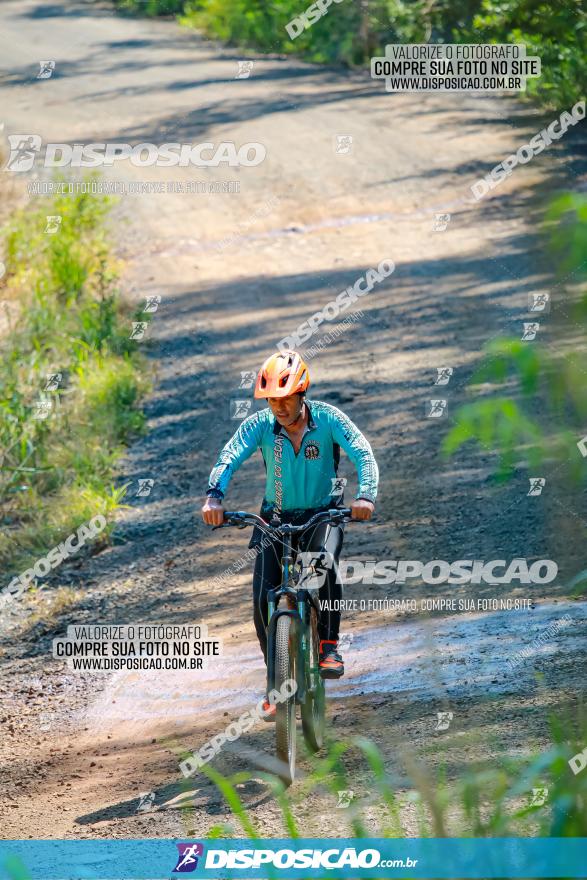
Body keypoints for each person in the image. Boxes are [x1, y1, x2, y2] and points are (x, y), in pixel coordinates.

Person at [201, 351, 378, 718]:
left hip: (324, 513)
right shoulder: (259, 426)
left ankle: (328, 647)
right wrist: (214, 496)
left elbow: (363, 452)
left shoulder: (329, 419)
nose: (278, 407)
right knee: (263, 597)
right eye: (272, 401)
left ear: (302, 393)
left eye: (285, 399)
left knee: (321, 565)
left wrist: (365, 496)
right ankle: (275, 683)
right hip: (275, 519)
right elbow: (228, 456)